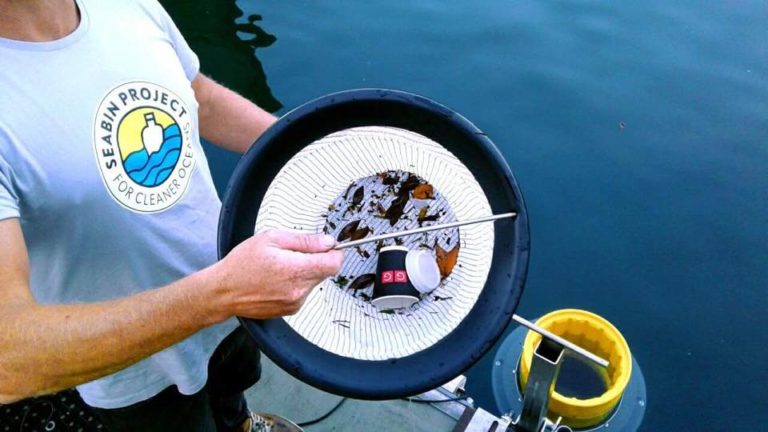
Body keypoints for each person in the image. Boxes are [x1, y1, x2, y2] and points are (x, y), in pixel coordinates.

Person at [0, 0, 343, 431]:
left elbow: (197, 94)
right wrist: (219, 293)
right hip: (138, 368)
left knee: (233, 390)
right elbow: (8, 360)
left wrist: (312, 146)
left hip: (232, 283)